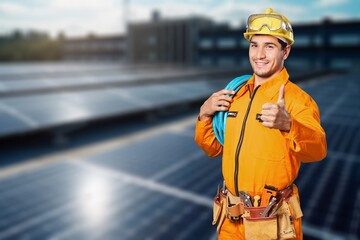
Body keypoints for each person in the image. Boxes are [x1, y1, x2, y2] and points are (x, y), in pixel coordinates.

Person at [194, 8, 327, 240]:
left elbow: (317, 150)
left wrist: (289, 125)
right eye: (254, 45)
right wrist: (204, 115)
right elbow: (213, 148)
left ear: (286, 51)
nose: (259, 54)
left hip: (272, 223)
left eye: (269, 46)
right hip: (231, 220)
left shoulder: (298, 100)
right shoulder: (235, 94)